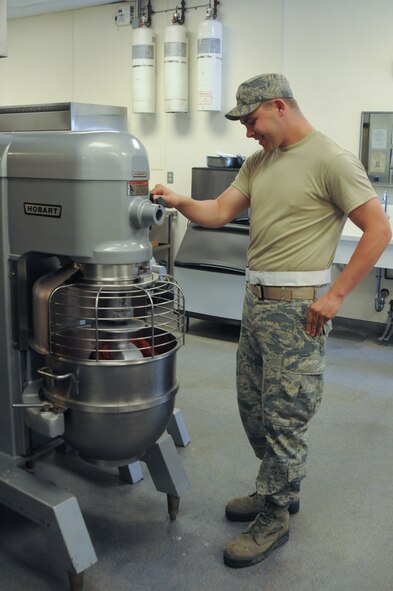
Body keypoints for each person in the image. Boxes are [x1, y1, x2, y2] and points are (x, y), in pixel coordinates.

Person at [151, 73, 392, 568]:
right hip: (255, 302)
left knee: (286, 415)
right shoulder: (261, 163)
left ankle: (276, 514)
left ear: (279, 106)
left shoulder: (331, 159)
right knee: (253, 408)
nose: (248, 132)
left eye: (252, 120)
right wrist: (178, 200)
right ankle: (278, 485)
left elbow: (379, 229)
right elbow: (218, 212)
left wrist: (337, 295)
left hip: (296, 310)